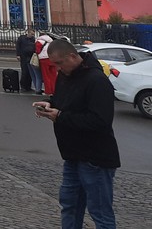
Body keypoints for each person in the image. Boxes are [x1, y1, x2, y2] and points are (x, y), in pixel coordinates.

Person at [33, 39, 120, 229]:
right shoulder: (65, 75)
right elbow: (64, 101)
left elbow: (101, 121)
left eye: (59, 63)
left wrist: (60, 116)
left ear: (72, 56)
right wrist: (50, 103)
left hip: (96, 159)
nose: (57, 68)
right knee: (70, 206)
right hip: (73, 155)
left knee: (100, 214)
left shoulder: (97, 80)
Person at [16, 27, 37, 93]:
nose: (32, 35)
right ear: (28, 33)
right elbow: (18, 46)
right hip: (23, 56)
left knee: (30, 72)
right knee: (24, 72)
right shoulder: (22, 38)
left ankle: (28, 86)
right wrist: (18, 55)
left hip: (30, 57)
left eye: (33, 34)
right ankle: (23, 86)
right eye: (31, 34)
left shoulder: (33, 39)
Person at [37, 32, 58, 96]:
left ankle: (48, 91)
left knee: (46, 76)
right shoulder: (51, 41)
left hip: (43, 59)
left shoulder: (39, 41)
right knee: (53, 75)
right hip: (52, 58)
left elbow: (37, 51)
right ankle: (54, 90)